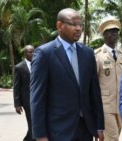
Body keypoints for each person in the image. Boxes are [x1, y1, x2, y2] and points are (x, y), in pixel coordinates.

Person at [30, 8, 104, 141]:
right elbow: (37, 98)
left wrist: (99, 126)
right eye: (73, 24)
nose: (78, 28)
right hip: (58, 130)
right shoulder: (44, 54)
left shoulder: (87, 54)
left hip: (85, 129)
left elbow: (94, 92)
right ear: (59, 26)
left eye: (80, 25)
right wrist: (40, 135)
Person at [95, 18, 122, 141]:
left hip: (121, 104)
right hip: (105, 105)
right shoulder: (97, 56)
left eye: (116, 31)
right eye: (110, 31)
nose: (114, 33)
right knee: (112, 138)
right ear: (104, 34)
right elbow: (93, 83)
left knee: (116, 135)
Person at [13, 45, 35, 141]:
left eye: (33, 51)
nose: (32, 53)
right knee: (32, 123)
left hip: (39, 99)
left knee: (36, 123)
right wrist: (17, 104)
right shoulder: (19, 67)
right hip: (27, 101)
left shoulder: (39, 64)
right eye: (30, 52)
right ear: (25, 53)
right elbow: (16, 86)